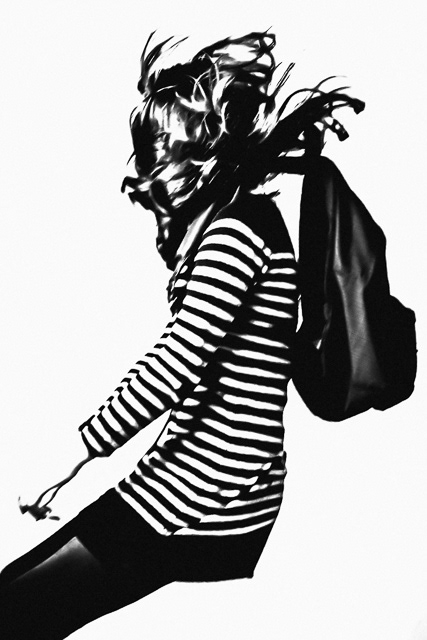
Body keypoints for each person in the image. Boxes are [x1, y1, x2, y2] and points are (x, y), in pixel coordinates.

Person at [0, 30, 362, 639]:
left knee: (14, 610)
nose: (144, 167)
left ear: (194, 155)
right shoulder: (239, 223)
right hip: (198, 478)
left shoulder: (235, 233)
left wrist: (70, 458)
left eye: (156, 150)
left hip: (211, 490)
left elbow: (177, 360)